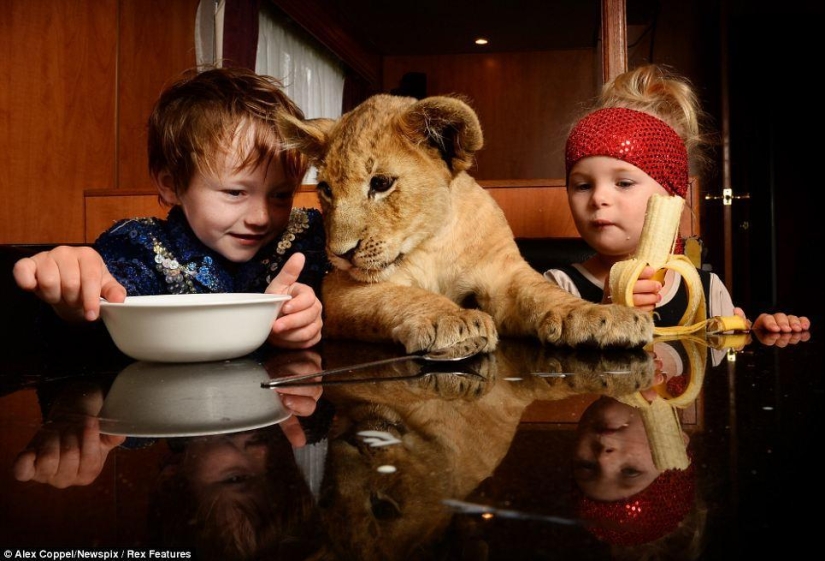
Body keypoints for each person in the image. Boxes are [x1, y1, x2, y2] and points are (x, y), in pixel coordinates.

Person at [12, 66, 329, 349]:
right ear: (171, 184)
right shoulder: (139, 247)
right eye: (234, 192)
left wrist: (304, 320)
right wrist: (73, 300)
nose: (261, 218)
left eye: (280, 195)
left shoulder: (309, 236)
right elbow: (99, 310)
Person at [544, 64, 810, 336]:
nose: (598, 197)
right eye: (583, 185)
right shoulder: (556, 288)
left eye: (624, 183)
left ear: (671, 196)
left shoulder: (708, 291)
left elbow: (721, 363)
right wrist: (609, 312)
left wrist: (757, 333)